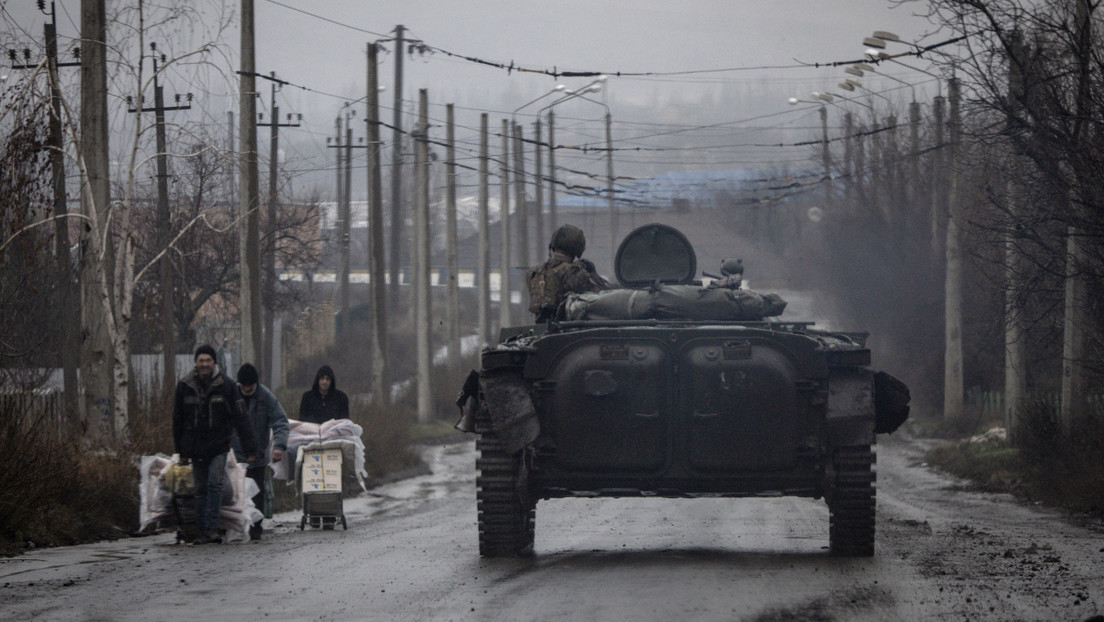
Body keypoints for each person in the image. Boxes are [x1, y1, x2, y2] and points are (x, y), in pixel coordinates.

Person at [173, 344, 258, 545]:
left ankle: (211, 528)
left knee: (214, 484)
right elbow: (178, 420)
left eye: (208, 361)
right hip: (194, 446)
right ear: (196, 362)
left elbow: (241, 418)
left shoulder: (227, 386)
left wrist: (250, 449)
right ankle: (202, 531)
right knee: (200, 488)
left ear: (214, 363)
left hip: (219, 445)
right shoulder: (184, 386)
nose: (204, 364)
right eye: (201, 360)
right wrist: (181, 451)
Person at [232, 362, 289, 541]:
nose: (247, 388)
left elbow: (280, 421)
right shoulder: (231, 395)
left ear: (256, 383)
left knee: (256, 493)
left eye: (250, 385)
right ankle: (232, 527)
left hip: (257, 455)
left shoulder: (265, 397)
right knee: (233, 492)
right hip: (234, 454)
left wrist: (279, 446)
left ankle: (256, 528)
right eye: (244, 385)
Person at [527, 224, 608, 321]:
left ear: (553, 245)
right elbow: (603, 299)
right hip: (567, 329)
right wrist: (594, 274)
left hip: (539, 330)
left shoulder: (534, 272)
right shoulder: (576, 274)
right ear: (577, 250)